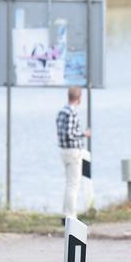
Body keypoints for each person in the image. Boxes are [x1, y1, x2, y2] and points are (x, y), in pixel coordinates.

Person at [57, 86, 90, 220]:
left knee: (69, 183)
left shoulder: (61, 112)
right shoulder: (71, 112)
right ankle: (71, 215)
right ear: (79, 98)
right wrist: (84, 134)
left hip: (64, 151)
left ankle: (66, 213)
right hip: (73, 151)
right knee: (73, 184)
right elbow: (70, 133)